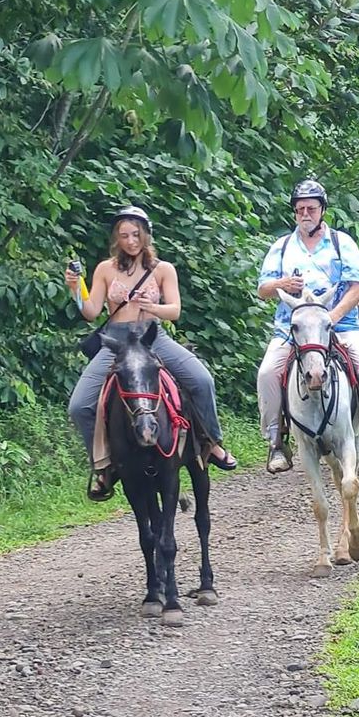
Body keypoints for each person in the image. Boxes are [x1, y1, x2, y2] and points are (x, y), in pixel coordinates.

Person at [67, 205, 237, 499]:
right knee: (79, 405)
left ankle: (212, 443)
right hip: (116, 343)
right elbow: (91, 311)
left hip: (152, 337)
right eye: (124, 236)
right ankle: (104, 466)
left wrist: (149, 305)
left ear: (145, 235)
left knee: (202, 380)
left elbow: (174, 311)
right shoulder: (106, 269)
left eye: (136, 234)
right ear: (116, 239)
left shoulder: (162, 269)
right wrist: (75, 288)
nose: (131, 241)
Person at [257, 179, 359, 473]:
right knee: (267, 373)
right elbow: (262, 289)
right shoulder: (282, 246)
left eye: (311, 208)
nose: (305, 214)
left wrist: (334, 316)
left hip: (340, 325)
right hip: (294, 330)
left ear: (322, 210)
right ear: (294, 213)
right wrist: (281, 283)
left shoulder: (343, 243)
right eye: (300, 209)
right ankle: (276, 441)